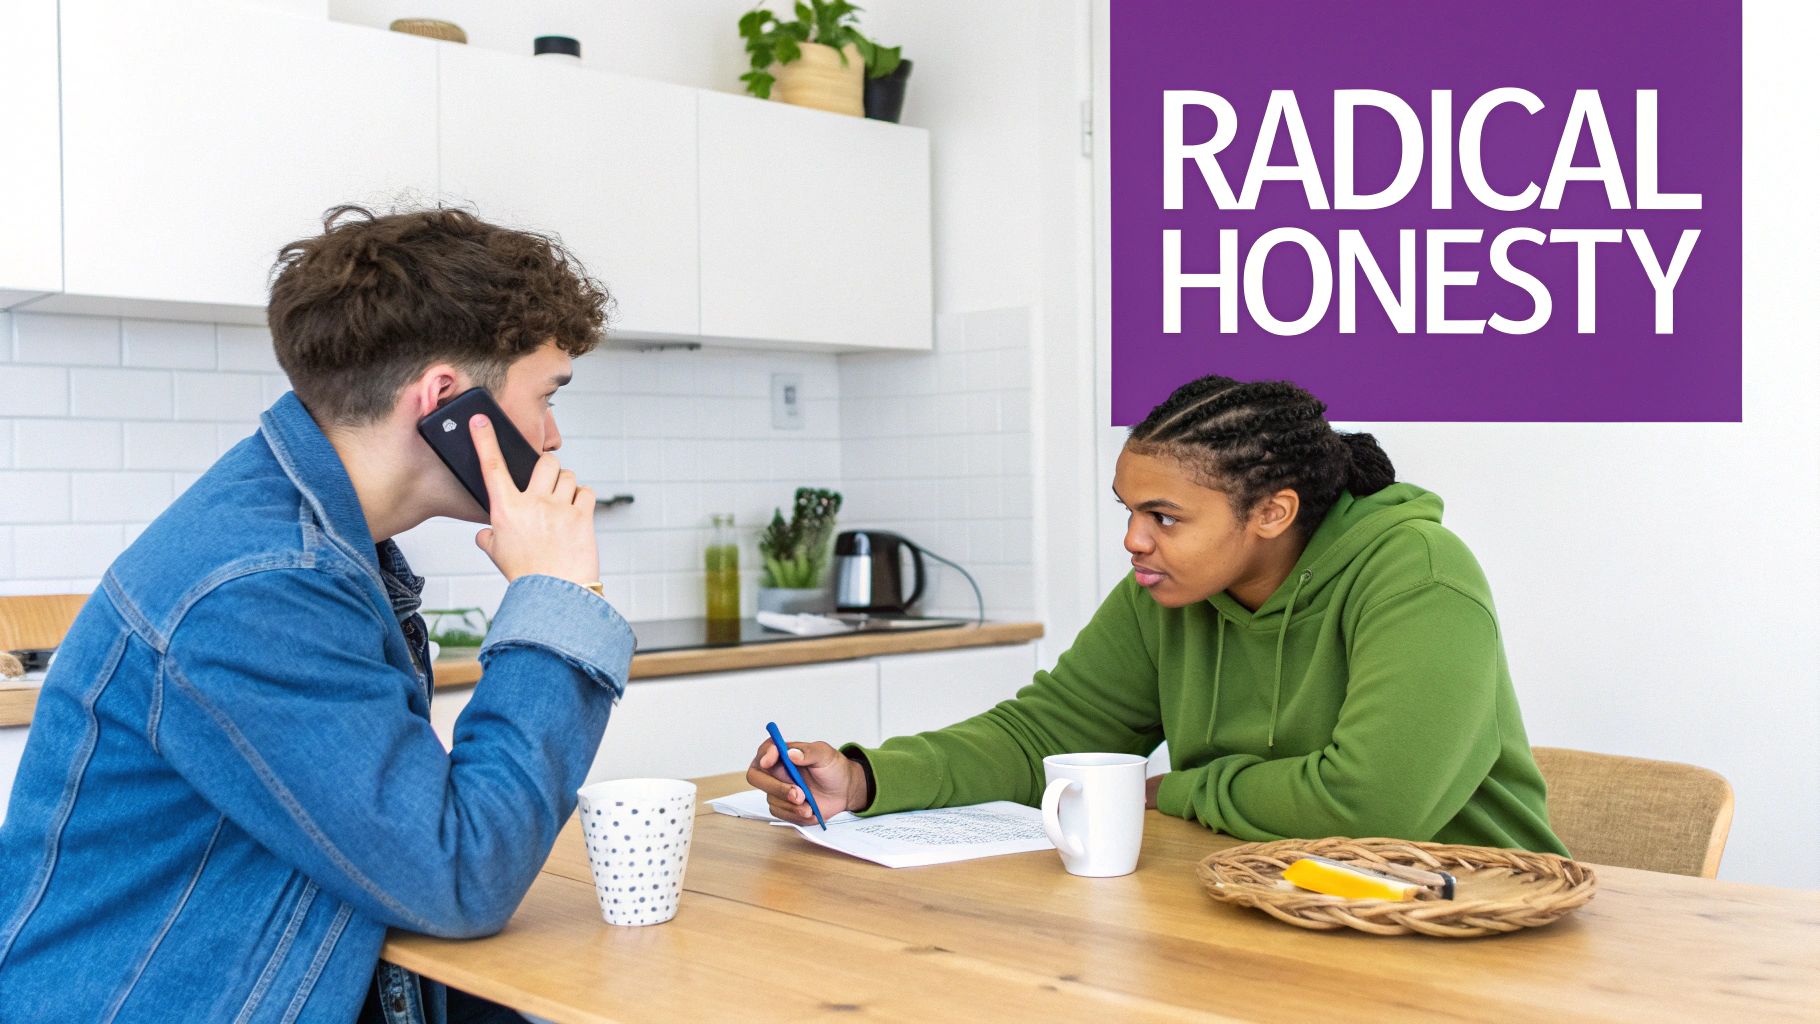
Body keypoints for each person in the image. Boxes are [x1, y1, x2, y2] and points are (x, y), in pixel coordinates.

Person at [0, 206, 632, 1023]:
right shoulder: (260, 589)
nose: (549, 437)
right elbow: (460, 873)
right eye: (545, 397)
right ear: (448, 401)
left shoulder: (312, 543)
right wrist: (558, 597)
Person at [749, 375, 1568, 856]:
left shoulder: (1417, 576)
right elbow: (1043, 737)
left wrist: (1177, 790)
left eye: (1165, 517)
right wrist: (865, 776)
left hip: (1464, 920)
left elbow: (1375, 807)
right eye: (1129, 509)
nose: (1134, 540)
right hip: (1274, 903)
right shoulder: (1169, 592)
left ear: (1273, 513)